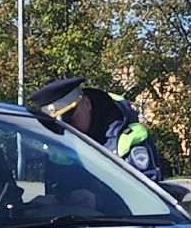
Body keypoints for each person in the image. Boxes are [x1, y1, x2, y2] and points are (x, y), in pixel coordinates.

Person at [27, 76, 169, 181]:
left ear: (87, 104)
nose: (67, 129)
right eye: (60, 125)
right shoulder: (59, 140)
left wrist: (97, 201)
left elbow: (147, 196)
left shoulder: (127, 136)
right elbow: (57, 189)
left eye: (70, 120)